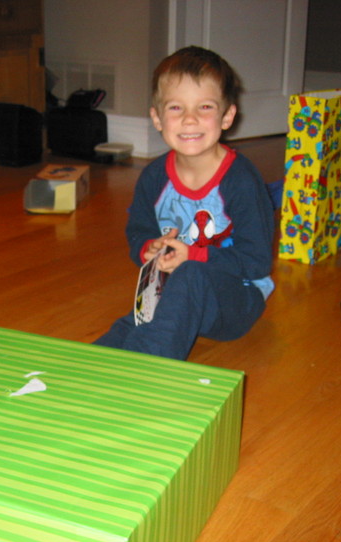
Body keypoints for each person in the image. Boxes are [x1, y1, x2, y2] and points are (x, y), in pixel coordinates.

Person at [94, 46, 275, 360]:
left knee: (191, 274)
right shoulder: (154, 177)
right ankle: (89, 363)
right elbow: (138, 231)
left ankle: (149, 366)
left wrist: (194, 255)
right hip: (174, 292)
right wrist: (149, 248)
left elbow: (256, 262)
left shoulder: (241, 181)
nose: (190, 119)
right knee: (138, 321)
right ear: (157, 118)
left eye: (205, 107)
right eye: (176, 108)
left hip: (238, 297)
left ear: (227, 116)